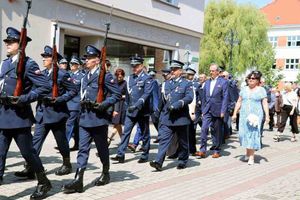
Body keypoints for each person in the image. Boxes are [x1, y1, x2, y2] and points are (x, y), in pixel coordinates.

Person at [0, 27, 52, 199]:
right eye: (7, 41)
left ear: (21, 45)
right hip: (3, 115)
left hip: (19, 117)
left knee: (28, 153)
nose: (7, 44)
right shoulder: (5, 63)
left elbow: (45, 87)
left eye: (12, 42)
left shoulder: (29, 64)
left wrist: (24, 98)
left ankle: (44, 182)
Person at [62, 45, 121, 193]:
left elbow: (116, 95)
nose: (85, 60)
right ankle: (78, 179)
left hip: (98, 118)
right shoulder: (84, 76)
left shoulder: (105, 76)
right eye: (86, 58)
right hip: (84, 118)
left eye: (88, 58)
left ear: (96, 60)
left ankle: (105, 173)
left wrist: (103, 105)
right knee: (83, 149)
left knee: (101, 149)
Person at [15, 45, 78, 179]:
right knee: (35, 142)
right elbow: (34, 90)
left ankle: (67, 163)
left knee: (61, 141)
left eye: (47, 57)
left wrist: (61, 99)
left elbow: (73, 90)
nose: (43, 59)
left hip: (57, 113)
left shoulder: (62, 74)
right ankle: (31, 167)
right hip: (42, 113)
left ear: (54, 59)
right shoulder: (41, 74)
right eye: (43, 57)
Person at [149, 60, 193, 171]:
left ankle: (182, 160)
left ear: (180, 71)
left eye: (175, 69)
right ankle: (159, 162)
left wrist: (178, 104)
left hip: (181, 117)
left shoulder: (186, 83)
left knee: (183, 141)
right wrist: (158, 114)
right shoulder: (167, 84)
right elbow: (162, 100)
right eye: (171, 69)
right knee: (164, 140)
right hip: (168, 118)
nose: (172, 71)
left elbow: (189, 97)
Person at [111, 55, 153, 163]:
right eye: (133, 66)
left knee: (144, 133)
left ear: (141, 66)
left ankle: (145, 154)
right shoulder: (130, 78)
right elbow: (128, 95)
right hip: (130, 110)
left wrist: (138, 104)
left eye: (136, 66)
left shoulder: (147, 78)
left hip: (142, 110)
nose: (134, 68)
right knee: (126, 132)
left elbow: (146, 94)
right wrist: (126, 106)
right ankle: (121, 154)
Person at [232, 71, 269, 165]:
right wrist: (235, 113)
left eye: (253, 78)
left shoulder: (261, 90)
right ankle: (248, 153)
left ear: (257, 80)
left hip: (256, 115)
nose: (251, 80)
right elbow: (239, 101)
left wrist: (267, 116)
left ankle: (251, 157)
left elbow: (265, 103)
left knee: (252, 134)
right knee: (243, 134)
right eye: (249, 78)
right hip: (244, 115)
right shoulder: (244, 89)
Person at [195, 63, 229, 159]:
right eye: (210, 71)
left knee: (216, 131)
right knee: (204, 129)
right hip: (207, 110)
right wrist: (203, 109)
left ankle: (216, 150)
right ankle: (202, 150)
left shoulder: (223, 82)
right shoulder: (207, 82)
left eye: (213, 71)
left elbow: (225, 97)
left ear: (218, 72)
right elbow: (204, 97)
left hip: (218, 110)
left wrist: (223, 111)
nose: (211, 72)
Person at [66, 56, 85, 151]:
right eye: (71, 64)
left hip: (75, 103)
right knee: (76, 125)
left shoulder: (82, 76)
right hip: (66, 102)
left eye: (74, 64)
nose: (72, 66)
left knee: (69, 123)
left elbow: (83, 90)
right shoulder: (67, 74)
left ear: (78, 66)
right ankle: (77, 144)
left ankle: (64, 143)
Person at [108, 68, 127, 146]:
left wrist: (122, 96)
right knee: (117, 124)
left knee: (117, 123)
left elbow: (127, 95)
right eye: (118, 76)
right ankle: (124, 141)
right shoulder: (113, 82)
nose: (120, 77)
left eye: (121, 75)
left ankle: (109, 138)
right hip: (112, 104)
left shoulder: (125, 83)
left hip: (120, 105)